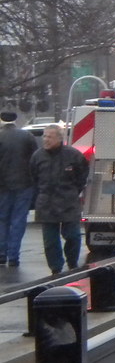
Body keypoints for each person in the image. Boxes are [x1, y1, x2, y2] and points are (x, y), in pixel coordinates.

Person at [30, 124, 89, 275]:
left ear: (59, 138)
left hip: (68, 202)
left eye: (49, 136)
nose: (46, 139)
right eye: (44, 136)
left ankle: (72, 262)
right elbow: (33, 178)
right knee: (50, 241)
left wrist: (73, 191)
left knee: (73, 236)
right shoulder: (38, 156)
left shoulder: (73, 155)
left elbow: (82, 176)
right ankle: (56, 268)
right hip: (46, 204)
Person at [0, 111, 38, 267]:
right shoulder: (27, 137)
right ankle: (14, 255)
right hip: (24, 185)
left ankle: (2, 253)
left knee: (2, 219)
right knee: (18, 220)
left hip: (2, 186)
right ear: (15, 120)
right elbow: (35, 159)